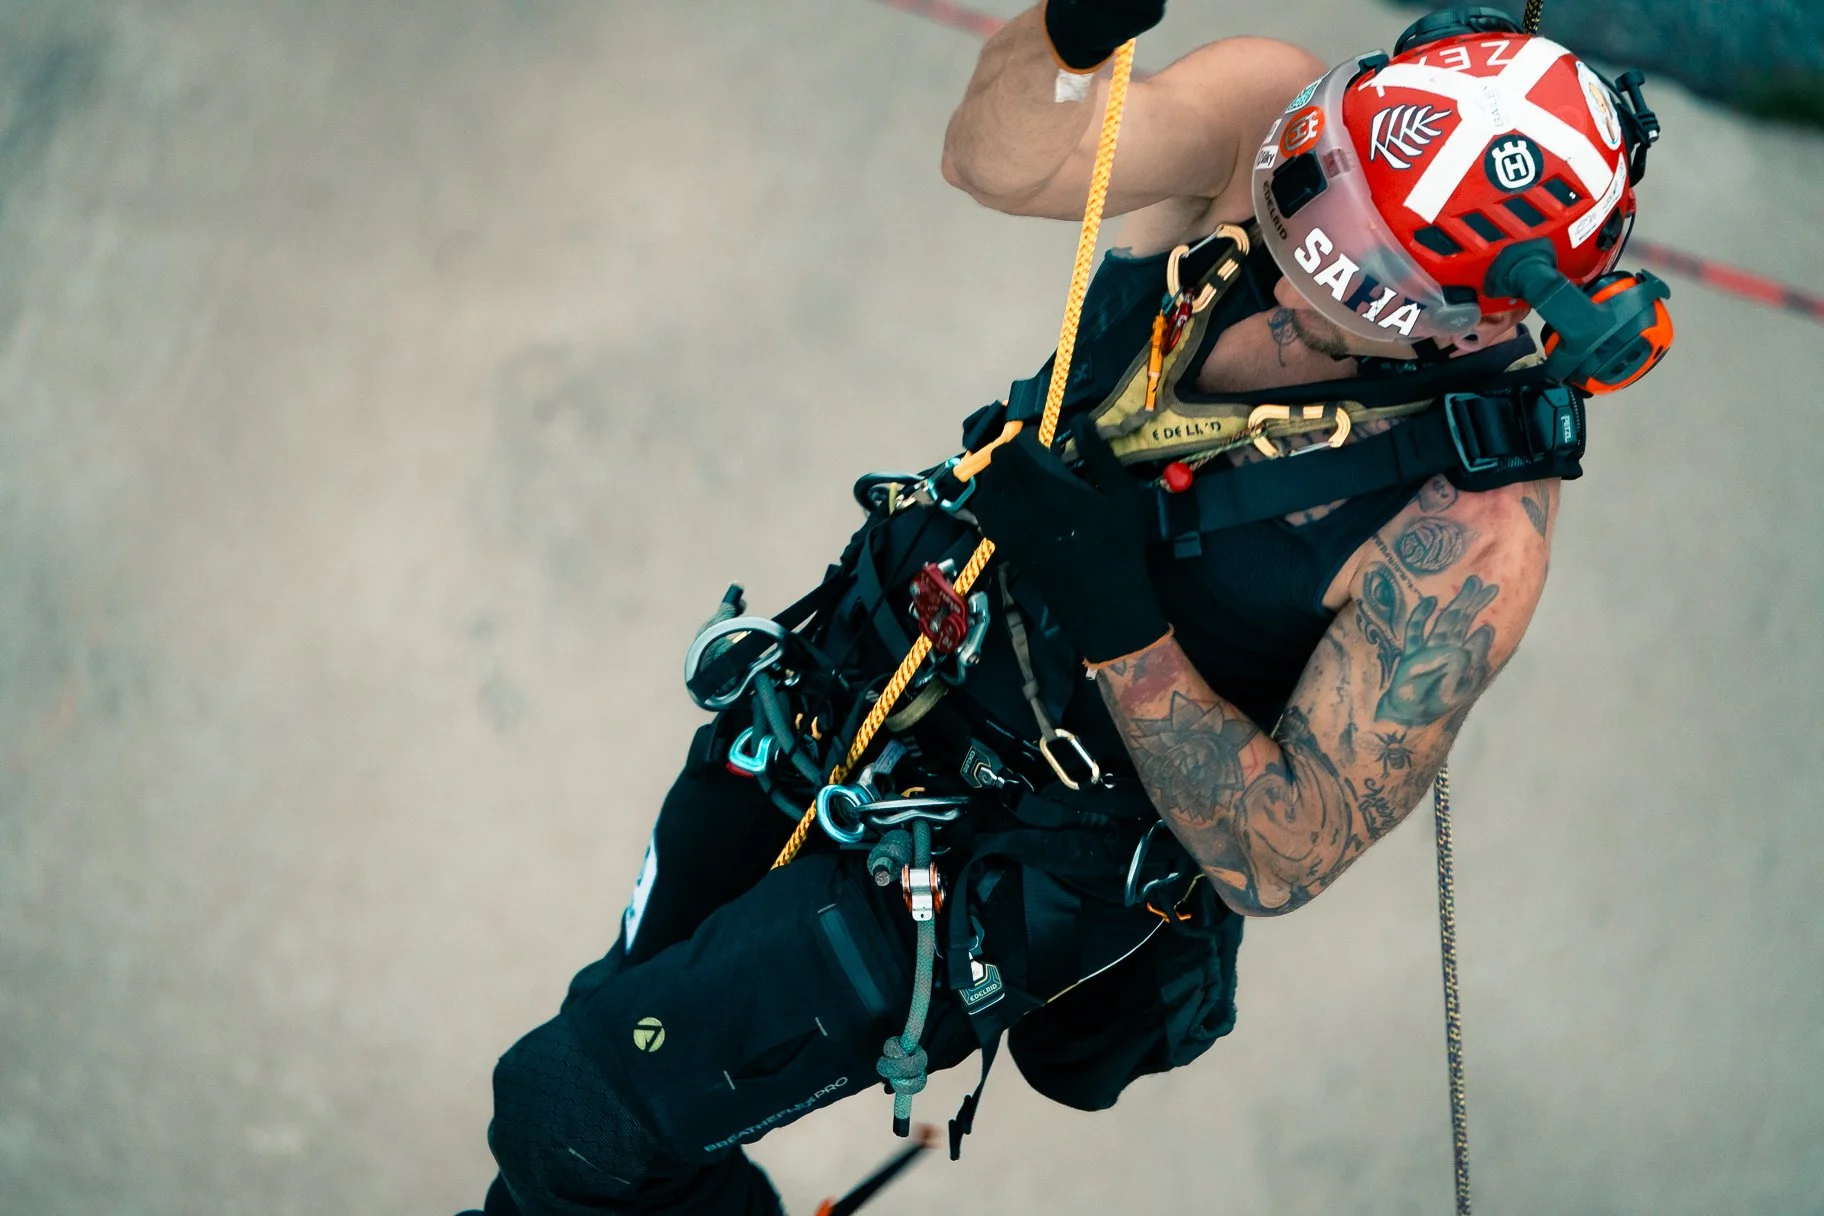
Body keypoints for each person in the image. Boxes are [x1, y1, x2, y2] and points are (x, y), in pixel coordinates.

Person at [465, 4, 1671, 1213]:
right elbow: (998, 159)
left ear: (1490, 318)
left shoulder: (1468, 534)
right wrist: (1070, 33)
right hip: (865, 666)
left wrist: (1117, 614)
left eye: (1361, 281)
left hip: (992, 851)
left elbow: (1282, 850)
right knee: (618, 1039)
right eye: (1307, 201)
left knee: (575, 1116)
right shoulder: (1266, 124)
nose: (1299, 263)